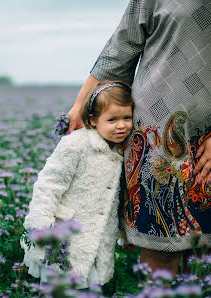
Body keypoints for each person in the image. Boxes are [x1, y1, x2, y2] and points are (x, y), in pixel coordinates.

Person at [67, 0, 211, 275]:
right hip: (152, 141)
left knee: (203, 252)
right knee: (159, 251)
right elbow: (120, 51)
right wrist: (81, 106)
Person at [22, 80, 134, 288]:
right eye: (112, 120)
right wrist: (40, 224)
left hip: (97, 240)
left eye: (127, 118)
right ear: (93, 120)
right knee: (58, 286)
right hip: (65, 238)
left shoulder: (122, 150)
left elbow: (118, 199)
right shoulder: (76, 144)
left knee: (89, 286)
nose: (121, 125)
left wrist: (124, 233)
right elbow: (49, 184)